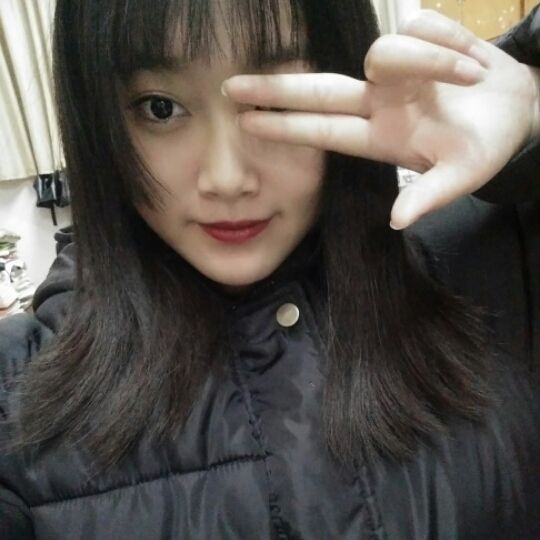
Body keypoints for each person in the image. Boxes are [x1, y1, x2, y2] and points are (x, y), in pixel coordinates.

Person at [0, 1, 538, 538]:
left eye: (275, 102)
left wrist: (533, 111)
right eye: (160, 108)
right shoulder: (16, 399)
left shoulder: (483, 272)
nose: (227, 178)